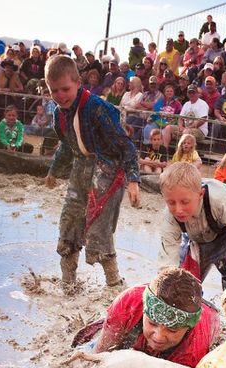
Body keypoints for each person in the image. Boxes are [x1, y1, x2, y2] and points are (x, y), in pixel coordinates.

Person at [44, 55, 140, 288]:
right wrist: (54, 172)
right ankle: (68, 281)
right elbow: (67, 145)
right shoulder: (58, 114)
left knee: (99, 227)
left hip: (107, 170)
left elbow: (125, 145)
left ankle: (114, 282)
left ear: (78, 82)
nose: (60, 95)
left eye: (65, 89)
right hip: (81, 168)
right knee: (69, 221)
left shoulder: (97, 108)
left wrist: (133, 180)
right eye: (54, 91)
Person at [87, 267, 220, 368]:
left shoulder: (194, 350)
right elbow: (99, 355)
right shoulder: (128, 303)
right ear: (145, 311)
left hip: (207, 317)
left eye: (172, 330)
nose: (159, 337)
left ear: (188, 329)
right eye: (152, 323)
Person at [162, 84, 209, 149]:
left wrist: (188, 128)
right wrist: (181, 126)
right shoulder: (186, 104)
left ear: (197, 93)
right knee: (168, 128)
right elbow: (180, 118)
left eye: (193, 92)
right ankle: (164, 151)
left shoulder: (202, 104)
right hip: (186, 128)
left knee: (186, 132)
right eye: (190, 92)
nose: (191, 94)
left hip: (200, 131)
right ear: (187, 94)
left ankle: (179, 153)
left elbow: (202, 120)